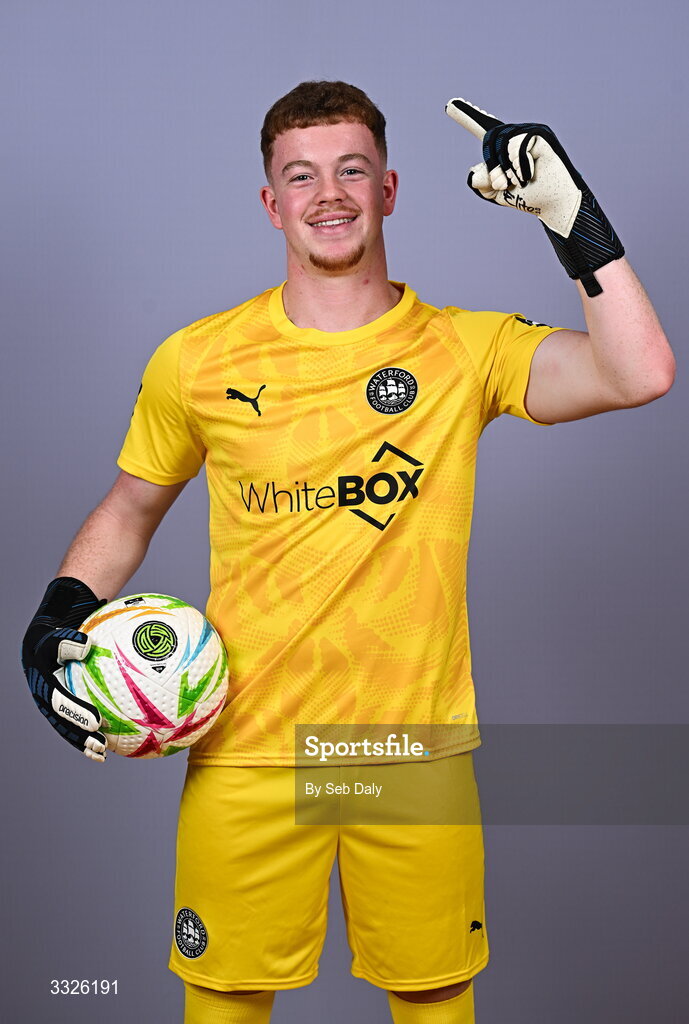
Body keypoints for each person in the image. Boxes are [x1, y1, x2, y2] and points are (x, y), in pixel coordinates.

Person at [22, 81, 675, 1024]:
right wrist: (58, 613)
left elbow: (640, 370)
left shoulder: (462, 349)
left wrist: (574, 218)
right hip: (246, 748)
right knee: (224, 1005)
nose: (327, 195)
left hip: (406, 748)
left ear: (389, 189)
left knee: (434, 1003)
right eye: (301, 176)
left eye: (350, 171)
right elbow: (129, 507)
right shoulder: (197, 360)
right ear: (271, 203)